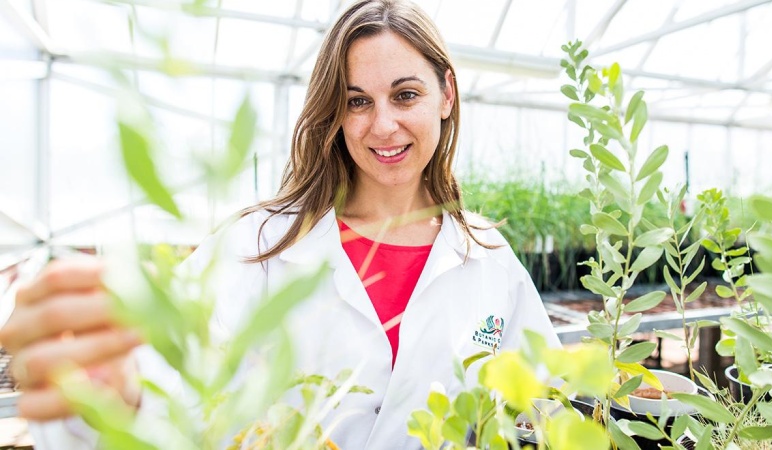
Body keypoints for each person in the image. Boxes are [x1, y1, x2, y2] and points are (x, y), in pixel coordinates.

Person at [0, 0, 562, 448]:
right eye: (357, 101)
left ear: (446, 94)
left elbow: (551, 400)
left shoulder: (486, 258)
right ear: (334, 114)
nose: (383, 124)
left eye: (405, 95)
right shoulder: (260, 246)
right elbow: (160, 391)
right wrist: (106, 390)